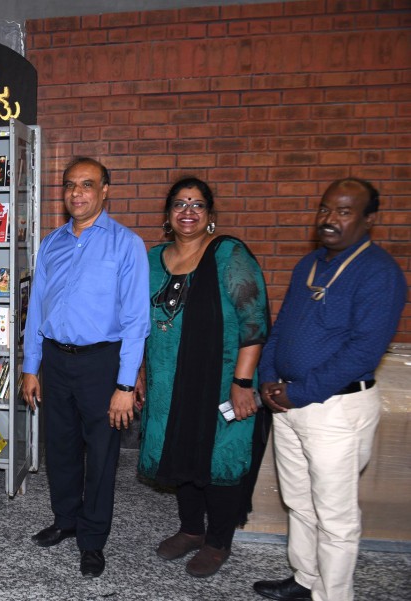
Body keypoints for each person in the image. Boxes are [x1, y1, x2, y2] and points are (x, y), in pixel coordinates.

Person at [253, 178, 406, 601]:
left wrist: (298, 392)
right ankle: (306, 579)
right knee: (299, 501)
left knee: (335, 517)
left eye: (343, 211)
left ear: (368, 219)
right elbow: (280, 328)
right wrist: (268, 377)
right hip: (288, 403)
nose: (329, 218)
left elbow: (363, 351)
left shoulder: (380, 273)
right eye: (325, 208)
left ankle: (333, 595)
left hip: (336, 409)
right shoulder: (310, 263)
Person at [21, 157, 150, 579]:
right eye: (70, 185)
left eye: (87, 184)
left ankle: (92, 539)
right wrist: (31, 366)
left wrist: (125, 385)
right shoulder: (51, 243)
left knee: (101, 456)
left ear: (105, 190)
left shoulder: (126, 244)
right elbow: (36, 308)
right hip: (55, 360)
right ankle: (66, 520)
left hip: (102, 363)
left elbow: (137, 321)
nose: (77, 192)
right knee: (59, 447)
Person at [135, 178, 271, 578]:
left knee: (220, 457)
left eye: (197, 205)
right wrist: (139, 371)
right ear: (167, 214)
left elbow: (254, 322)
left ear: (210, 215)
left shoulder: (229, 254)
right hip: (167, 379)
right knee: (180, 450)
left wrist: (242, 384)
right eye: (180, 204)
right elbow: (139, 322)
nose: (188, 212)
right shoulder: (152, 259)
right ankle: (192, 529)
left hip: (222, 380)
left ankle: (218, 542)